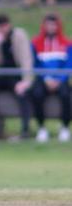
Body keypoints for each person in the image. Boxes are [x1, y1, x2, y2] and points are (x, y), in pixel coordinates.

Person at [0, 14, 34, 139]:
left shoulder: (19, 35)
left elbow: (26, 58)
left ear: (9, 25)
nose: (1, 30)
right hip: (0, 74)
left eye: (4, 26)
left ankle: (25, 129)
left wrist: (26, 81)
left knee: (23, 95)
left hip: (15, 74)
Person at [30, 14, 71, 143]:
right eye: (48, 24)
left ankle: (64, 127)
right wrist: (46, 78)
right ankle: (41, 128)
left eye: (53, 24)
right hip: (43, 79)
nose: (51, 27)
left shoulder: (67, 43)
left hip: (61, 80)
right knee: (37, 94)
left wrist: (59, 79)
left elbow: (69, 64)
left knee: (66, 95)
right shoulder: (36, 43)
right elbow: (35, 64)